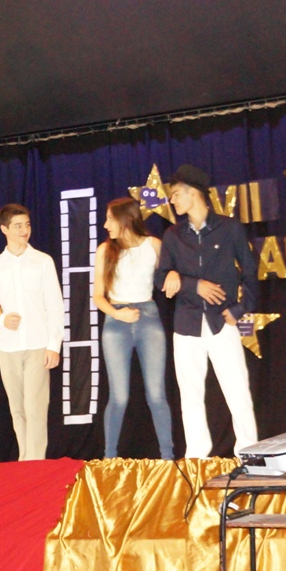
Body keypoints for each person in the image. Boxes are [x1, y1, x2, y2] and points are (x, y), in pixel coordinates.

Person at [156, 164, 259, 458]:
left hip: (221, 322)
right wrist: (191, 284)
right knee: (190, 395)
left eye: (176, 194)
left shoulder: (229, 228)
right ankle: (197, 455)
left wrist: (240, 309)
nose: (172, 200)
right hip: (186, 324)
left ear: (194, 193)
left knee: (237, 390)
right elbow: (161, 278)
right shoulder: (173, 235)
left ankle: (248, 452)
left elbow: (251, 272)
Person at [0, 204, 63, 461]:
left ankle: (34, 461)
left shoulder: (43, 261)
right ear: (4, 229)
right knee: (17, 409)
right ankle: (25, 458)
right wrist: (2, 319)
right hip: (8, 346)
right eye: (18, 226)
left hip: (38, 343)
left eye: (27, 225)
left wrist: (54, 345)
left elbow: (55, 305)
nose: (24, 230)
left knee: (36, 407)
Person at [93, 197, 174, 459]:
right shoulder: (105, 250)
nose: (106, 225)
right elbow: (97, 296)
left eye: (110, 219)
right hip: (116, 321)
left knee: (157, 394)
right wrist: (117, 313)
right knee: (119, 396)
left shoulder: (153, 245)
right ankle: (109, 457)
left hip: (148, 318)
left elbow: (169, 273)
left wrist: (173, 274)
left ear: (125, 219)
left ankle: (167, 458)